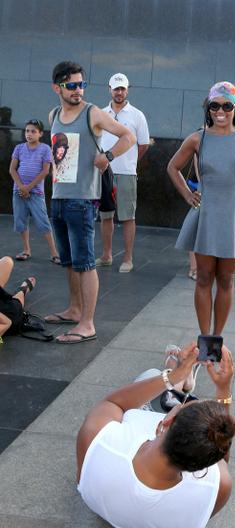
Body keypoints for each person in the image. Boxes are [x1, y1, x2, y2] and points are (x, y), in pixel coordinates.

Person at [76, 342, 235, 528]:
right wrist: (223, 391)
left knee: (150, 376)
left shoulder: (100, 439)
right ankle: (182, 385)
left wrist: (172, 376)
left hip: (104, 508)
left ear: (165, 422)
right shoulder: (220, 486)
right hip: (161, 525)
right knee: (166, 392)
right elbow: (221, 459)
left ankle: (176, 378)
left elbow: (112, 402)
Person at [44, 61, 136, 343]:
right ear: (57, 87)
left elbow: (128, 136)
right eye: (72, 85)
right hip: (59, 198)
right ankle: (74, 310)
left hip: (82, 200)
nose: (78, 90)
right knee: (69, 261)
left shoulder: (92, 113)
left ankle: (87, 323)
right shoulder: (54, 115)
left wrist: (107, 157)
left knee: (85, 263)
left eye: (81, 84)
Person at [167, 81, 235, 336]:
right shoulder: (198, 138)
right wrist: (188, 195)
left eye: (227, 105)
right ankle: (204, 338)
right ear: (208, 108)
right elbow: (172, 167)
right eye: (215, 105)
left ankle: (217, 338)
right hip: (207, 215)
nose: (220, 111)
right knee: (203, 277)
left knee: (226, 279)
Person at [96, 73, 150, 273]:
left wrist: (129, 161)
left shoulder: (137, 115)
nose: (119, 92)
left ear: (128, 90)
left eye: (122, 88)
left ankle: (128, 258)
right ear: (109, 89)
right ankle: (106, 255)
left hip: (127, 173)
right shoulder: (100, 113)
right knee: (105, 215)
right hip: (103, 172)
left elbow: (143, 145)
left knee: (128, 216)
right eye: (116, 88)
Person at [9, 119, 60, 264]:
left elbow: (45, 171)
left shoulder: (45, 149)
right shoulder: (19, 148)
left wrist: (29, 187)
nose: (29, 134)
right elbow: (12, 169)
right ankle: (26, 250)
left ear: (40, 134)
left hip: (35, 193)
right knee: (21, 221)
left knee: (43, 222)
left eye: (33, 131)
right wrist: (21, 187)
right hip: (19, 192)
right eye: (27, 131)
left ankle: (54, 253)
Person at [0, 256, 36, 342]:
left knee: (7, 261)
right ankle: (23, 289)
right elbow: (7, 323)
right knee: (18, 298)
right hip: (9, 313)